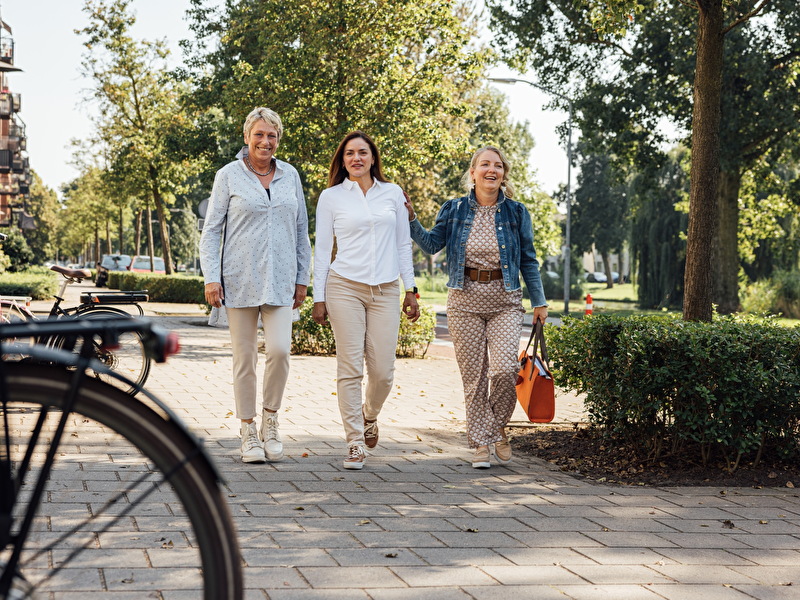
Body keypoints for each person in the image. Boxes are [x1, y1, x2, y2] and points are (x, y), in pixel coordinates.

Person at [405, 146, 548, 468]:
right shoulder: (454, 209)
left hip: (506, 301)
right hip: (464, 301)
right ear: (473, 172)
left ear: (503, 174)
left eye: (497, 165)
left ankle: (495, 427)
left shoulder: (517, 212)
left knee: (504, 370)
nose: (491, 170)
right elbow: (431, 244)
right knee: (474, 377)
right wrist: (412, 218)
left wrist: (538, 301)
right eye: (484, 164)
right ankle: (481, 444)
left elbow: (528, 260)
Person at [199, 107, 312, 464]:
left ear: (278, 139)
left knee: (279, 350)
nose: (266, 141)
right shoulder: (228, 176)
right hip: (239, 279)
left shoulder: (290, 175)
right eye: (259, 134)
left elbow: (300, 231)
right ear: (246, 136)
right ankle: (248, 431)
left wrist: (301, 278)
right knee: (244, 358)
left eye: (272, 136)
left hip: (280, 280)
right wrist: (211, 277)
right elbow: (212, 230)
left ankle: (271, 420)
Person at [312, 131, 420, 470]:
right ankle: (355, 443)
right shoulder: (331, 197)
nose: (355, 158)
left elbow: (404, 245)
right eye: (349, 154)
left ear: (373, 157)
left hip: (386, 290)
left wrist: (411, 289)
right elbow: (322, 249)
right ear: (342, 161)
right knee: (350, 367)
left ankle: (369, 415)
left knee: (384, 372)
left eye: (362, 152)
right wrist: (318, 297)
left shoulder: (393, 194)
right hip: (344, 286)